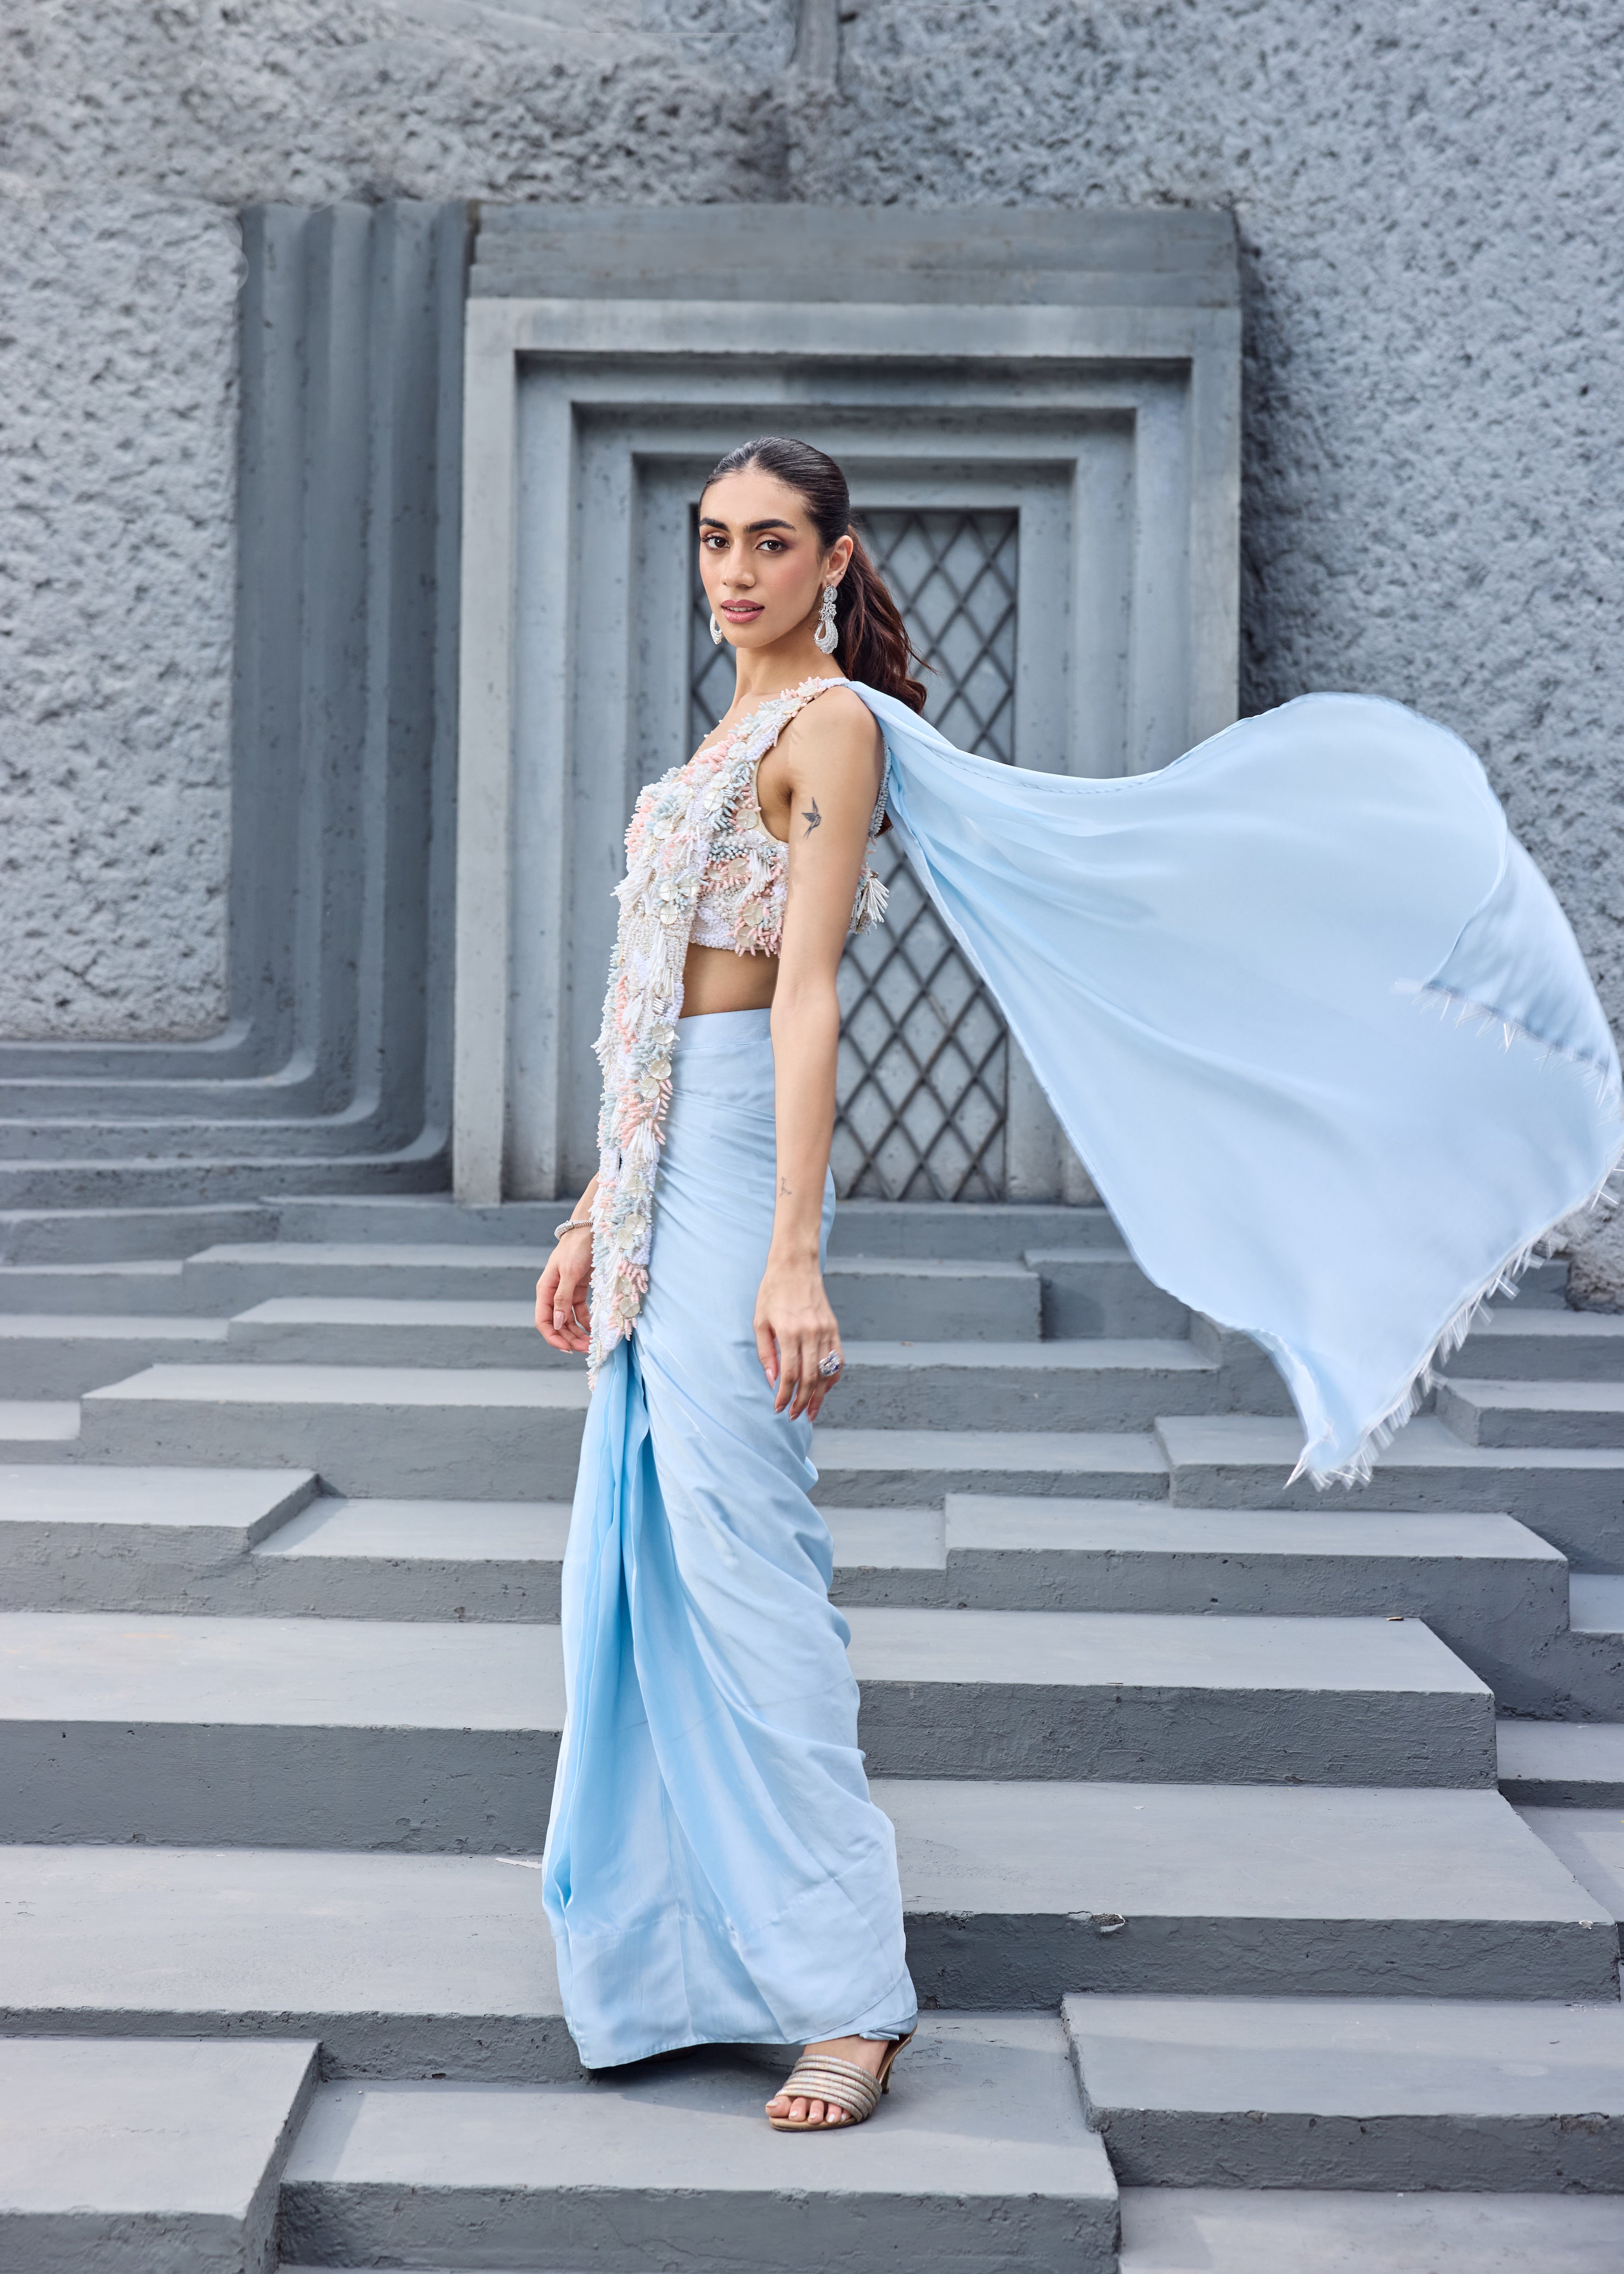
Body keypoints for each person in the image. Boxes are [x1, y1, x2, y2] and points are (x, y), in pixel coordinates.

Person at [536, 435, 1623, 2127]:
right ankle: (685, 1953)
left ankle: (844, 1994)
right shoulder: (727, 737)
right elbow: (657, 1000)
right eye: (712, 540)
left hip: (745, 1181)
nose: (734, 570)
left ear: (836, 561)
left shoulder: (829, 727)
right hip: (664, 1175)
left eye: (770, 543)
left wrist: (794, 1253)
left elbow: (800, 999)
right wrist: (602, 1202)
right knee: (654, 1566)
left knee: (747, 1571)